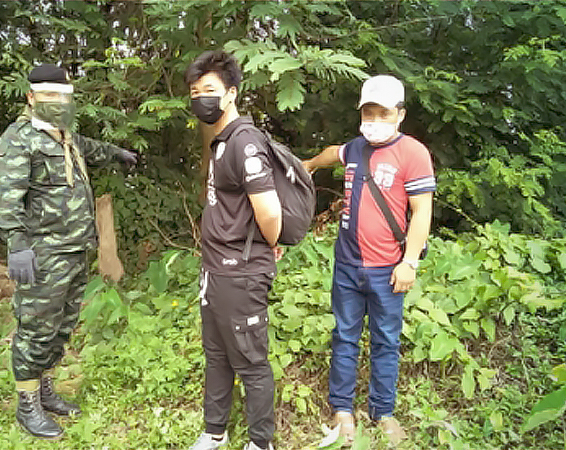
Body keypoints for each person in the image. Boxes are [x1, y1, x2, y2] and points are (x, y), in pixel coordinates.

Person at [0, 63, 137, 439]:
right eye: (49, 95)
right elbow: (5, 201)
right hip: (42, 255)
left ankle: (45, 390)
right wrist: (17, 245)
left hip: (74, 249)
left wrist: (117, 153)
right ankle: (27, 405)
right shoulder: (19, 139)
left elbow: (90, 148)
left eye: (63, 96)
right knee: (36, 330)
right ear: (31, 97)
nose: (58, 102)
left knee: (62, 326)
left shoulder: (64, 135)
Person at [302, 75, 435, 446]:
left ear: (400, 115)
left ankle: (383, 411)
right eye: (368, 113)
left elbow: (422, 211)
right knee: (345, 336)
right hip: (347, 265)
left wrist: (410, 262)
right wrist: (309, 164)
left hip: (388, 269)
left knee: (386, 341)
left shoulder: (413, 153)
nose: (375, 120)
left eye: (383, 113)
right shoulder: (356, 149)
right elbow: (333, 152)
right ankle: (342, 410)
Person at [185, 50, 283, 450]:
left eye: (209, 89)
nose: (201, 98)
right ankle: (215, 431)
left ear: (231, 94)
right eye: (195, 92)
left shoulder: (245, 142)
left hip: (240, 272)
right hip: (216, 271)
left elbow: (270, 211)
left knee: (251, 361)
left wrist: (270, 245)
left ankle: (261, 442)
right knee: (217, 355)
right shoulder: (221, 141)